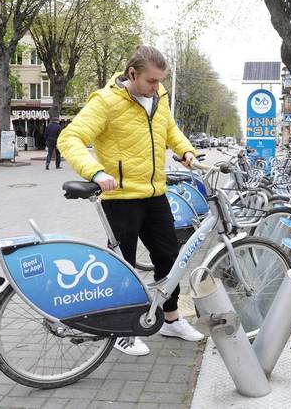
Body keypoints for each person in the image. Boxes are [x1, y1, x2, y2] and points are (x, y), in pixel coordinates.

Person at [58, 45, 203, 356]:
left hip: (154, 193)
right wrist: (95, 172)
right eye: (151, 81)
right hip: (121, 196)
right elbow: (69, 139)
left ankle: (171, 319)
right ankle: (122, 330)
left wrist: (185, 150)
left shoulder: (158, 98)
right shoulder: (106, 102)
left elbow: (170, 130)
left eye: (160, 81)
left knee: (169, 257)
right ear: (132, 74)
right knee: (122, 265)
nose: (156, 87)